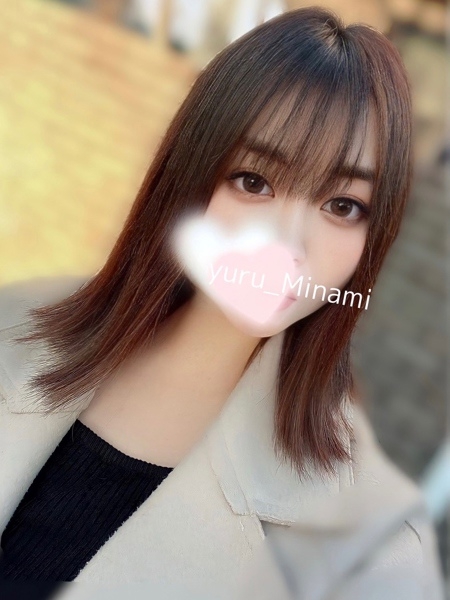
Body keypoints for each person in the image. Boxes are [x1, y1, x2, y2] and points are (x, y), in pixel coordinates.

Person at [0, 6, 445, 599]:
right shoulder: (11, 333)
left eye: (342, 206)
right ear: (189, 177)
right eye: (254, 181)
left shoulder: (369, 552)